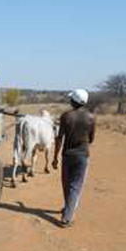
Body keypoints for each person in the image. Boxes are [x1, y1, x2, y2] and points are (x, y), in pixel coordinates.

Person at [52, 89, 96, 228]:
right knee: (75, 186)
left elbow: (59, 138)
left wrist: (55, 157)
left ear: (73, 101)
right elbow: (91, 139)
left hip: (67, 155)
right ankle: (68, 214)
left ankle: (67, 215)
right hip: (82, 155)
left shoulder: (66, 116)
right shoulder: (91, 117)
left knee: (67, 183)